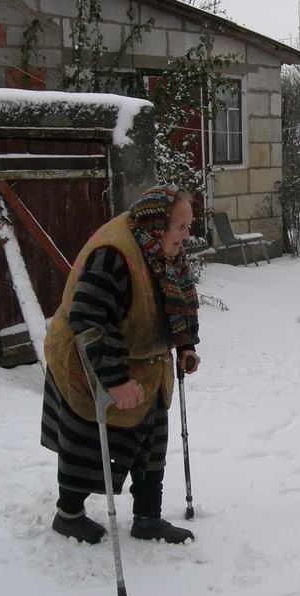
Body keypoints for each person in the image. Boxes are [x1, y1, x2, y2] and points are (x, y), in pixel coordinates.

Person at [41, 186, 201, 545]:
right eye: (181, 227)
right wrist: (114, 380)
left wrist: (185, 344)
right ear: (157, 225)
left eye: (188, 226)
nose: (187, 235)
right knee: (86, 443)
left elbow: (176, 300)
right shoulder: (113, 255)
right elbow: (90, 320)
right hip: (88, 359)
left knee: (152, 440)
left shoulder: (162, 249)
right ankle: (69, 515)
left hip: (146, 361)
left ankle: (147, 518)